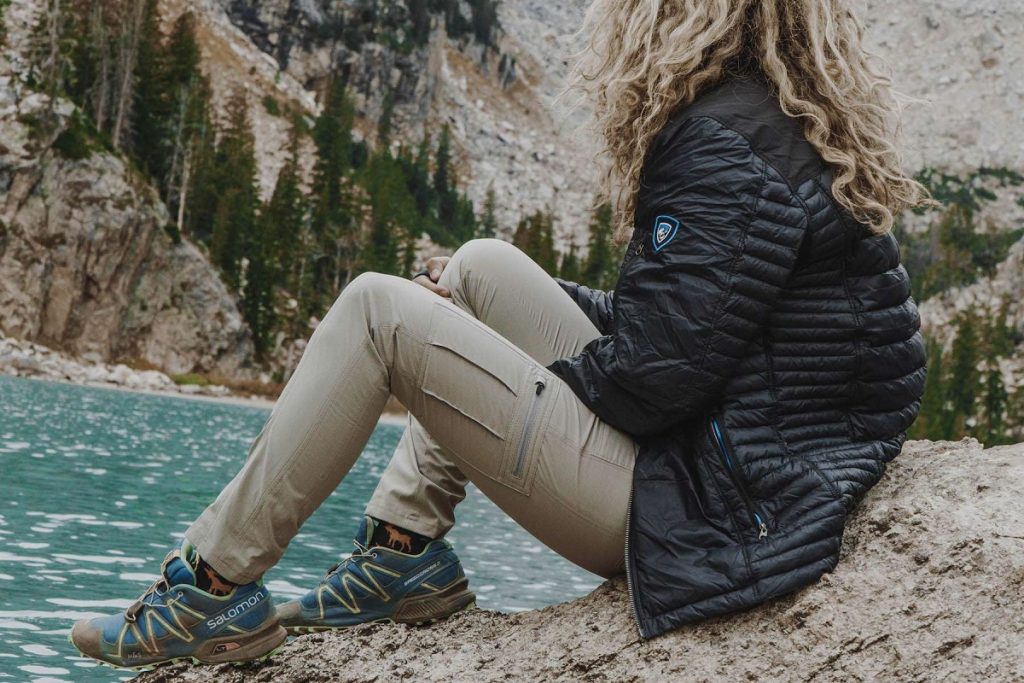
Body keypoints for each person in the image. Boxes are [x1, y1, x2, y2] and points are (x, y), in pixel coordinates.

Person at [70, 0, 927, 668]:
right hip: (750, 467)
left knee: (378, 310)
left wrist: (485, 361)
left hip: (713, 508)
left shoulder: (719, 145)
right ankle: (402, 554)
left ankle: (211, 589)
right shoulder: (778, 122)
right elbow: (691, 330)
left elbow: (652, 379)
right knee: (479, 266)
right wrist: (485, 322)